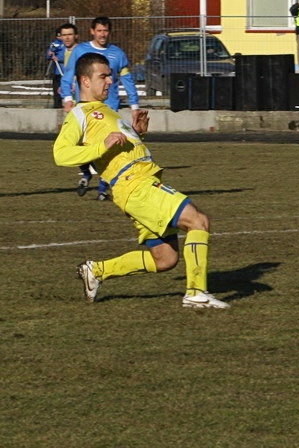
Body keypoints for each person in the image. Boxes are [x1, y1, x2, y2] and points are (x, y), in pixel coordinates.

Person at [55, 52, 229, 308]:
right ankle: (195, 293)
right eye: (102, 76)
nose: (109, 82)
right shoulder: (80, 115)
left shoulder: (108, 112)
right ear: (85, 81)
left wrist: (136, 133)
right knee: (198, 221)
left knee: (165, 259)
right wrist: (100, 147)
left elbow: (119, 148)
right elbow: (60, 154)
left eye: (110, 76)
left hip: (138, 185)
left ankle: (97, 270)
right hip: (136, 186)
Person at [61, 16, 140, 200]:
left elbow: (127, 80)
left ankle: (103, 189)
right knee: (81, 143)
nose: (102, 34)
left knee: (110, 146)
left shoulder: (117, 54)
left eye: (105, 31)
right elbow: (69, 74)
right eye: (99, 31)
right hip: (86, 107)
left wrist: (134, 104)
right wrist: (67, 97)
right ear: (92, 31)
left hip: (109, 108)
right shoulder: (81, 50)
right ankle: (86, 173)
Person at [46, 24, 79, 109]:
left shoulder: (81, 51)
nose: (67, 38)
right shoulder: (64, 50)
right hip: (69, 96)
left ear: (76, 36)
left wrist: (75, 83)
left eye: (70, 35)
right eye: (64, 35)